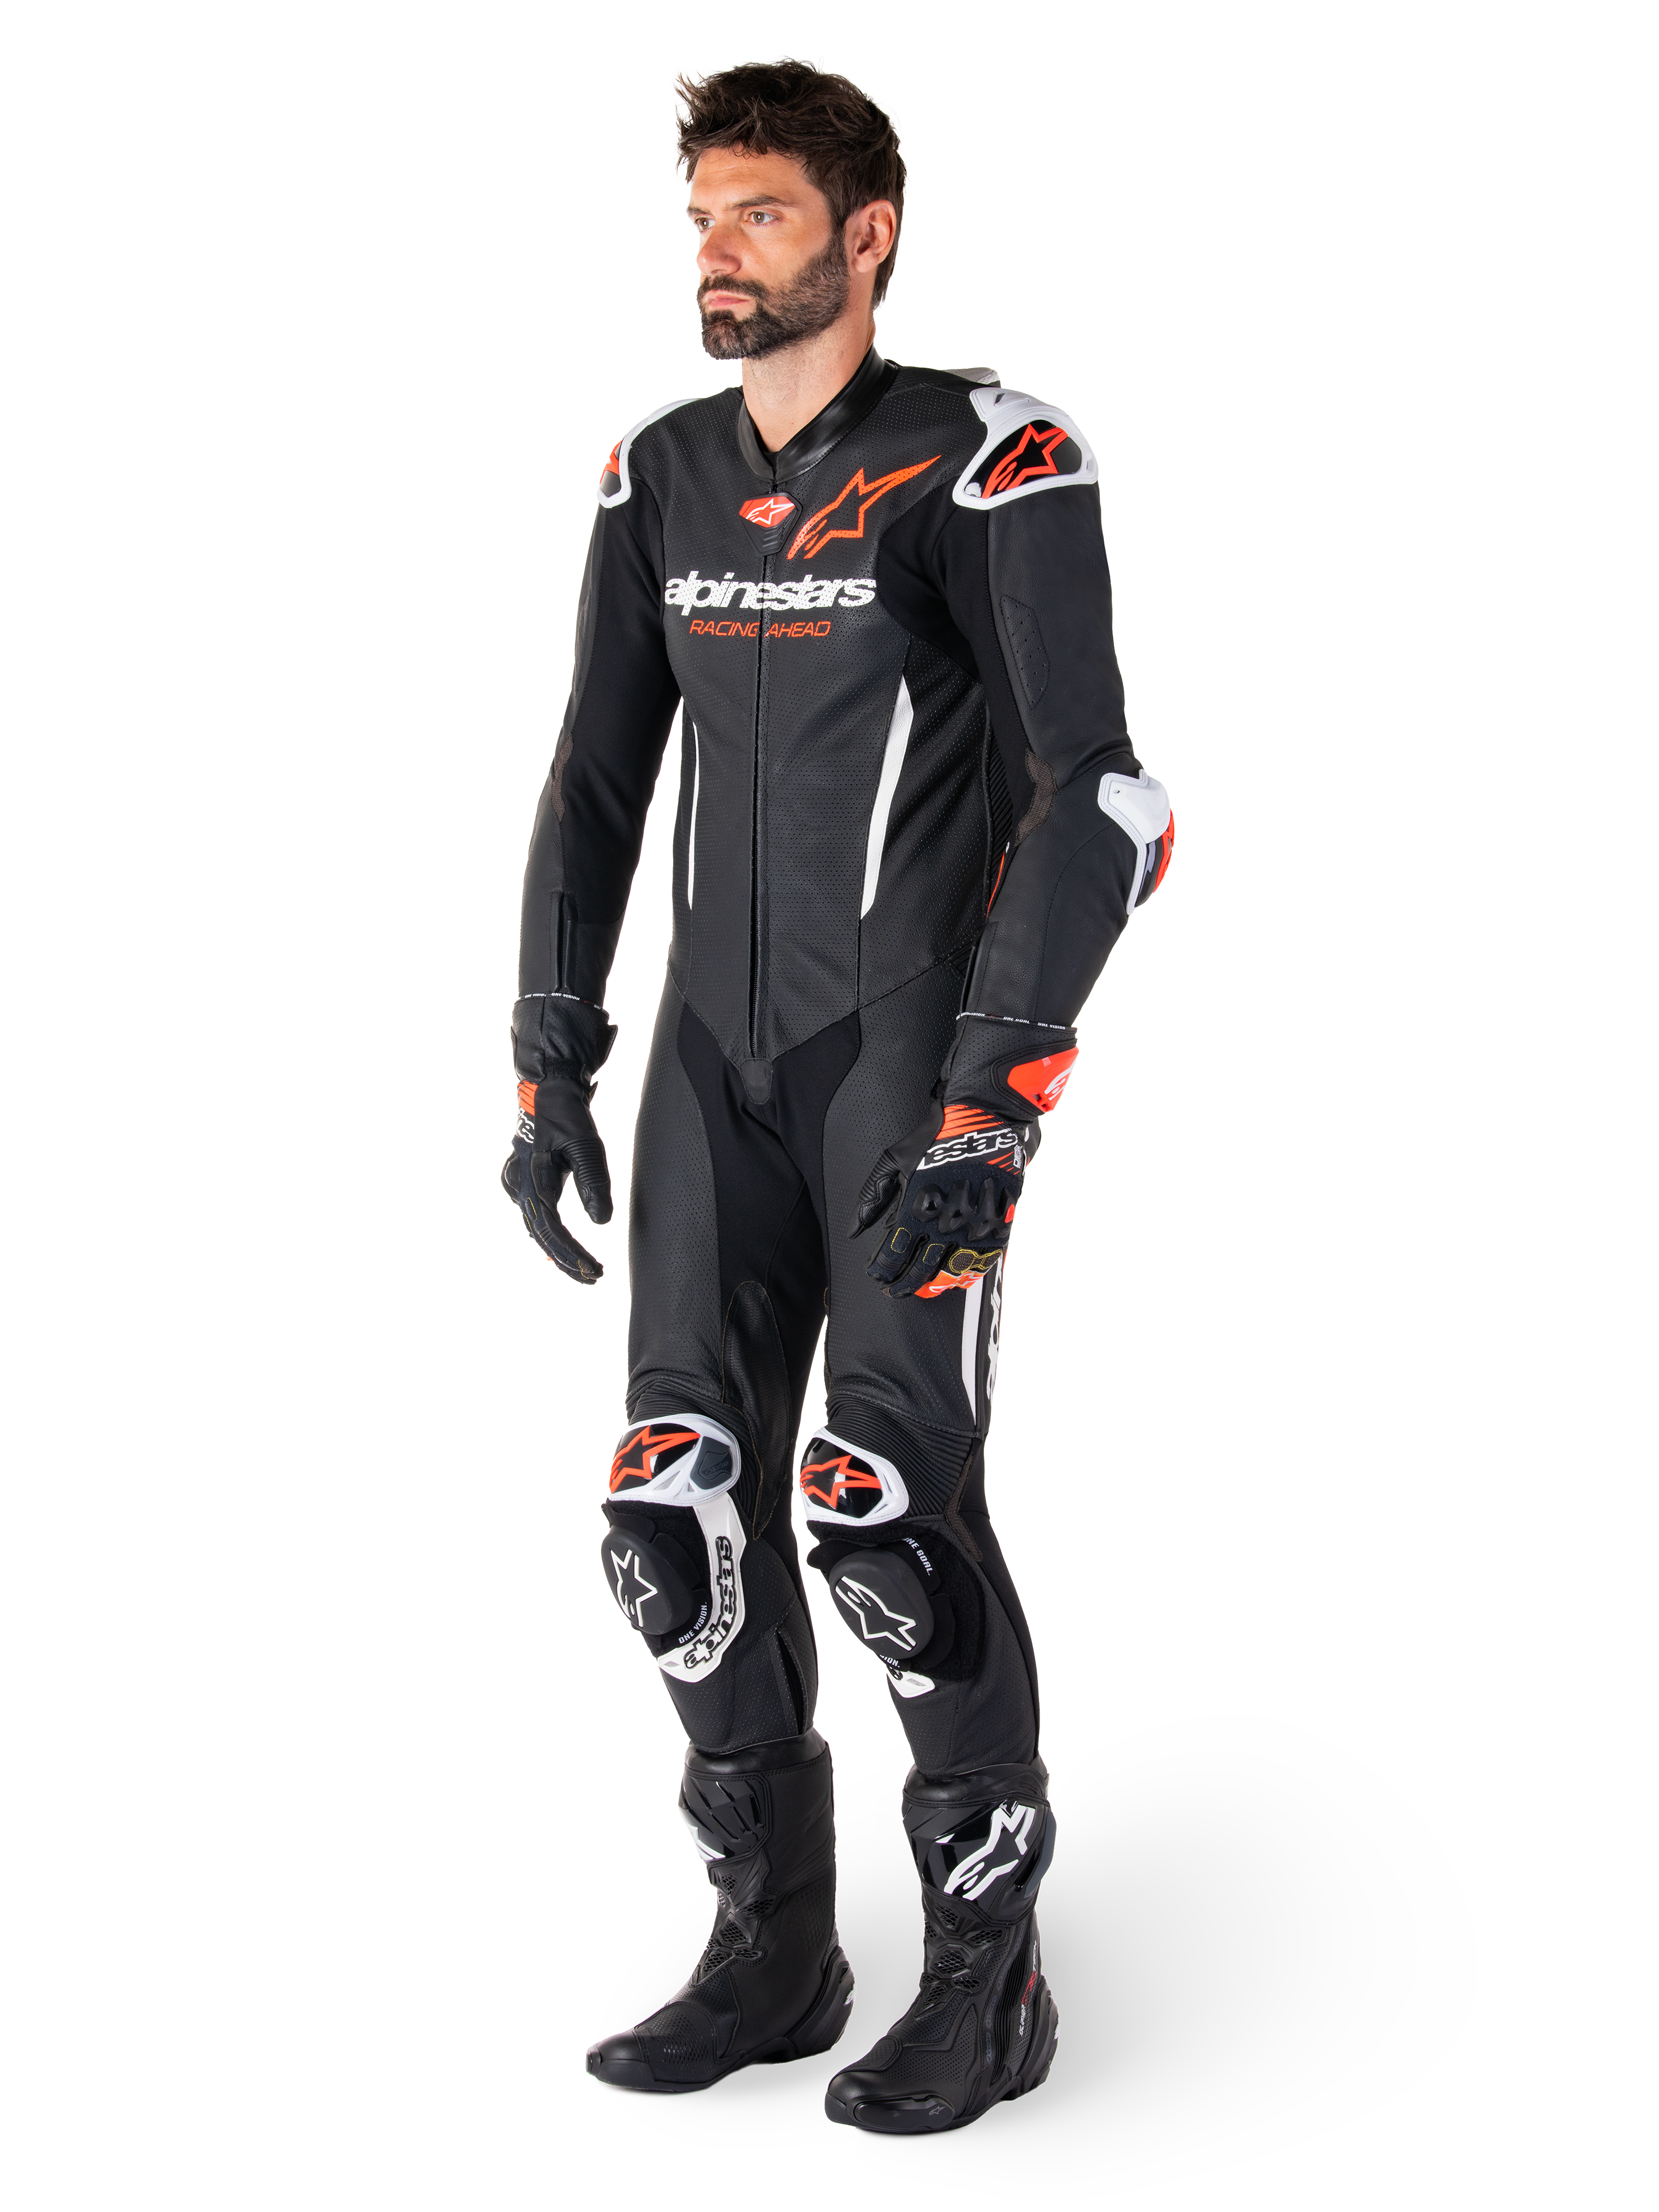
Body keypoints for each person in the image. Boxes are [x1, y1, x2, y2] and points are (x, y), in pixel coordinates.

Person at [505, 56, 1172, 2144]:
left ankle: (991, 1985)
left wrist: (992, 1102)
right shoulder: (665, 476)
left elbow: (1101, 798)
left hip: (907, 1072)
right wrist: (548, 1060)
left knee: (882, 1514)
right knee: (670, 1507)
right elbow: (594, 781)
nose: (717, 252)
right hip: (714, 1072)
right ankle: (775, 1952)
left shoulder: (985, 457)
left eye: (763, 214)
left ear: (867, 237)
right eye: (704, 213)